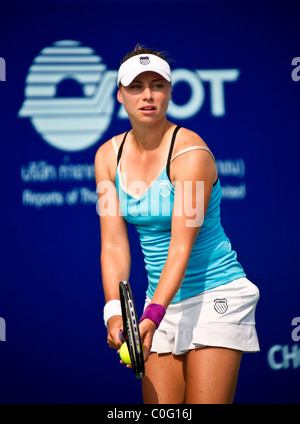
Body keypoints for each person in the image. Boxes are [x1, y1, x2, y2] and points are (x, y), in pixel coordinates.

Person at [94, 45, 260, 404]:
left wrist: (152, 313)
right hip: (162, 302)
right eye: (136, 87)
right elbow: (114, 245)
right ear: (120, 95)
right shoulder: (107, 157)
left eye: (157, 85)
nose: (148, 95)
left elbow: (181, 246)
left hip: (217, 294)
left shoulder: (191, 154)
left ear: (170, 92)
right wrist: (114, 311)